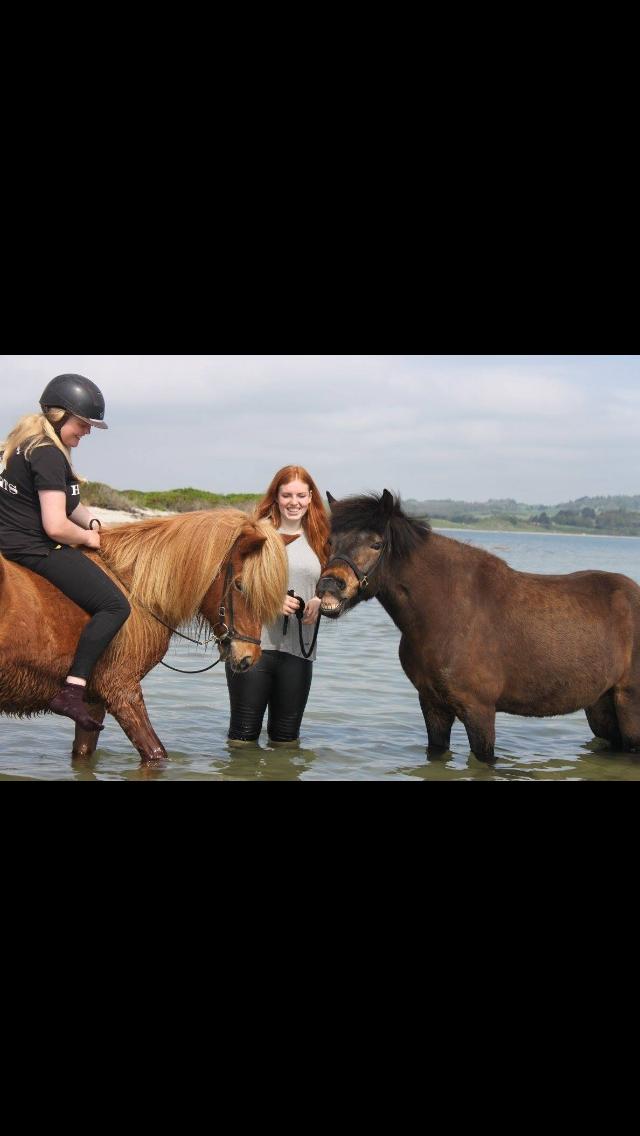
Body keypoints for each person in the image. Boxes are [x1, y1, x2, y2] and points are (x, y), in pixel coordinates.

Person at [0, 374, 130, 732]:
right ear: (60, 415)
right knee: (116, 605)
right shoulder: (48, 455)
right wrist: (89, 541)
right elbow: (56, 526)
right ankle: (73, 691)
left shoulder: (26, 444)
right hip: (33, 548)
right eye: (83, 424)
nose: (86, 432)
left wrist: (93, 524)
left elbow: (69, 505)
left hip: (11, 540)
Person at [226, 465, 330, 746]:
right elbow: (233, 583)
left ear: (311, 497)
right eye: (286, 495)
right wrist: (270, 598)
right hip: (255, 645)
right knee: (242, 739)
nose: (293, 502)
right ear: (276, 496)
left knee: (286, 742)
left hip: (300, 650)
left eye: (300, 495)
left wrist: (321, 601)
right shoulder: (256, 534)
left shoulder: (323, 539)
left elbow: (334, 586)